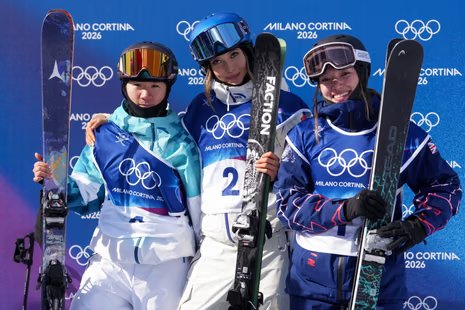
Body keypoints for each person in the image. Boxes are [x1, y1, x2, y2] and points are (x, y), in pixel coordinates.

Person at [273, 34, 462, 309]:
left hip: (379, 282)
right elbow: (288, 205)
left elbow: (446, 186)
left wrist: (418, 226)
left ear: (361, 73)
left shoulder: (399, 134)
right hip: (312, 285)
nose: (335, 85)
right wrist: (345, 209)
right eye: (326, 80)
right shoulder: (304, 135)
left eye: (345, 74)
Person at [33, 41, 201, 310]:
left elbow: (198, 207)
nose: (145, 94)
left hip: (166, 263)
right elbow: (85, 191)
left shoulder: (182, 142)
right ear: (125, 85)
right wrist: (55, 182)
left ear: (168, 87)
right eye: (138, 86)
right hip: (110, 258)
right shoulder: (104, 135)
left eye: (155, 86)